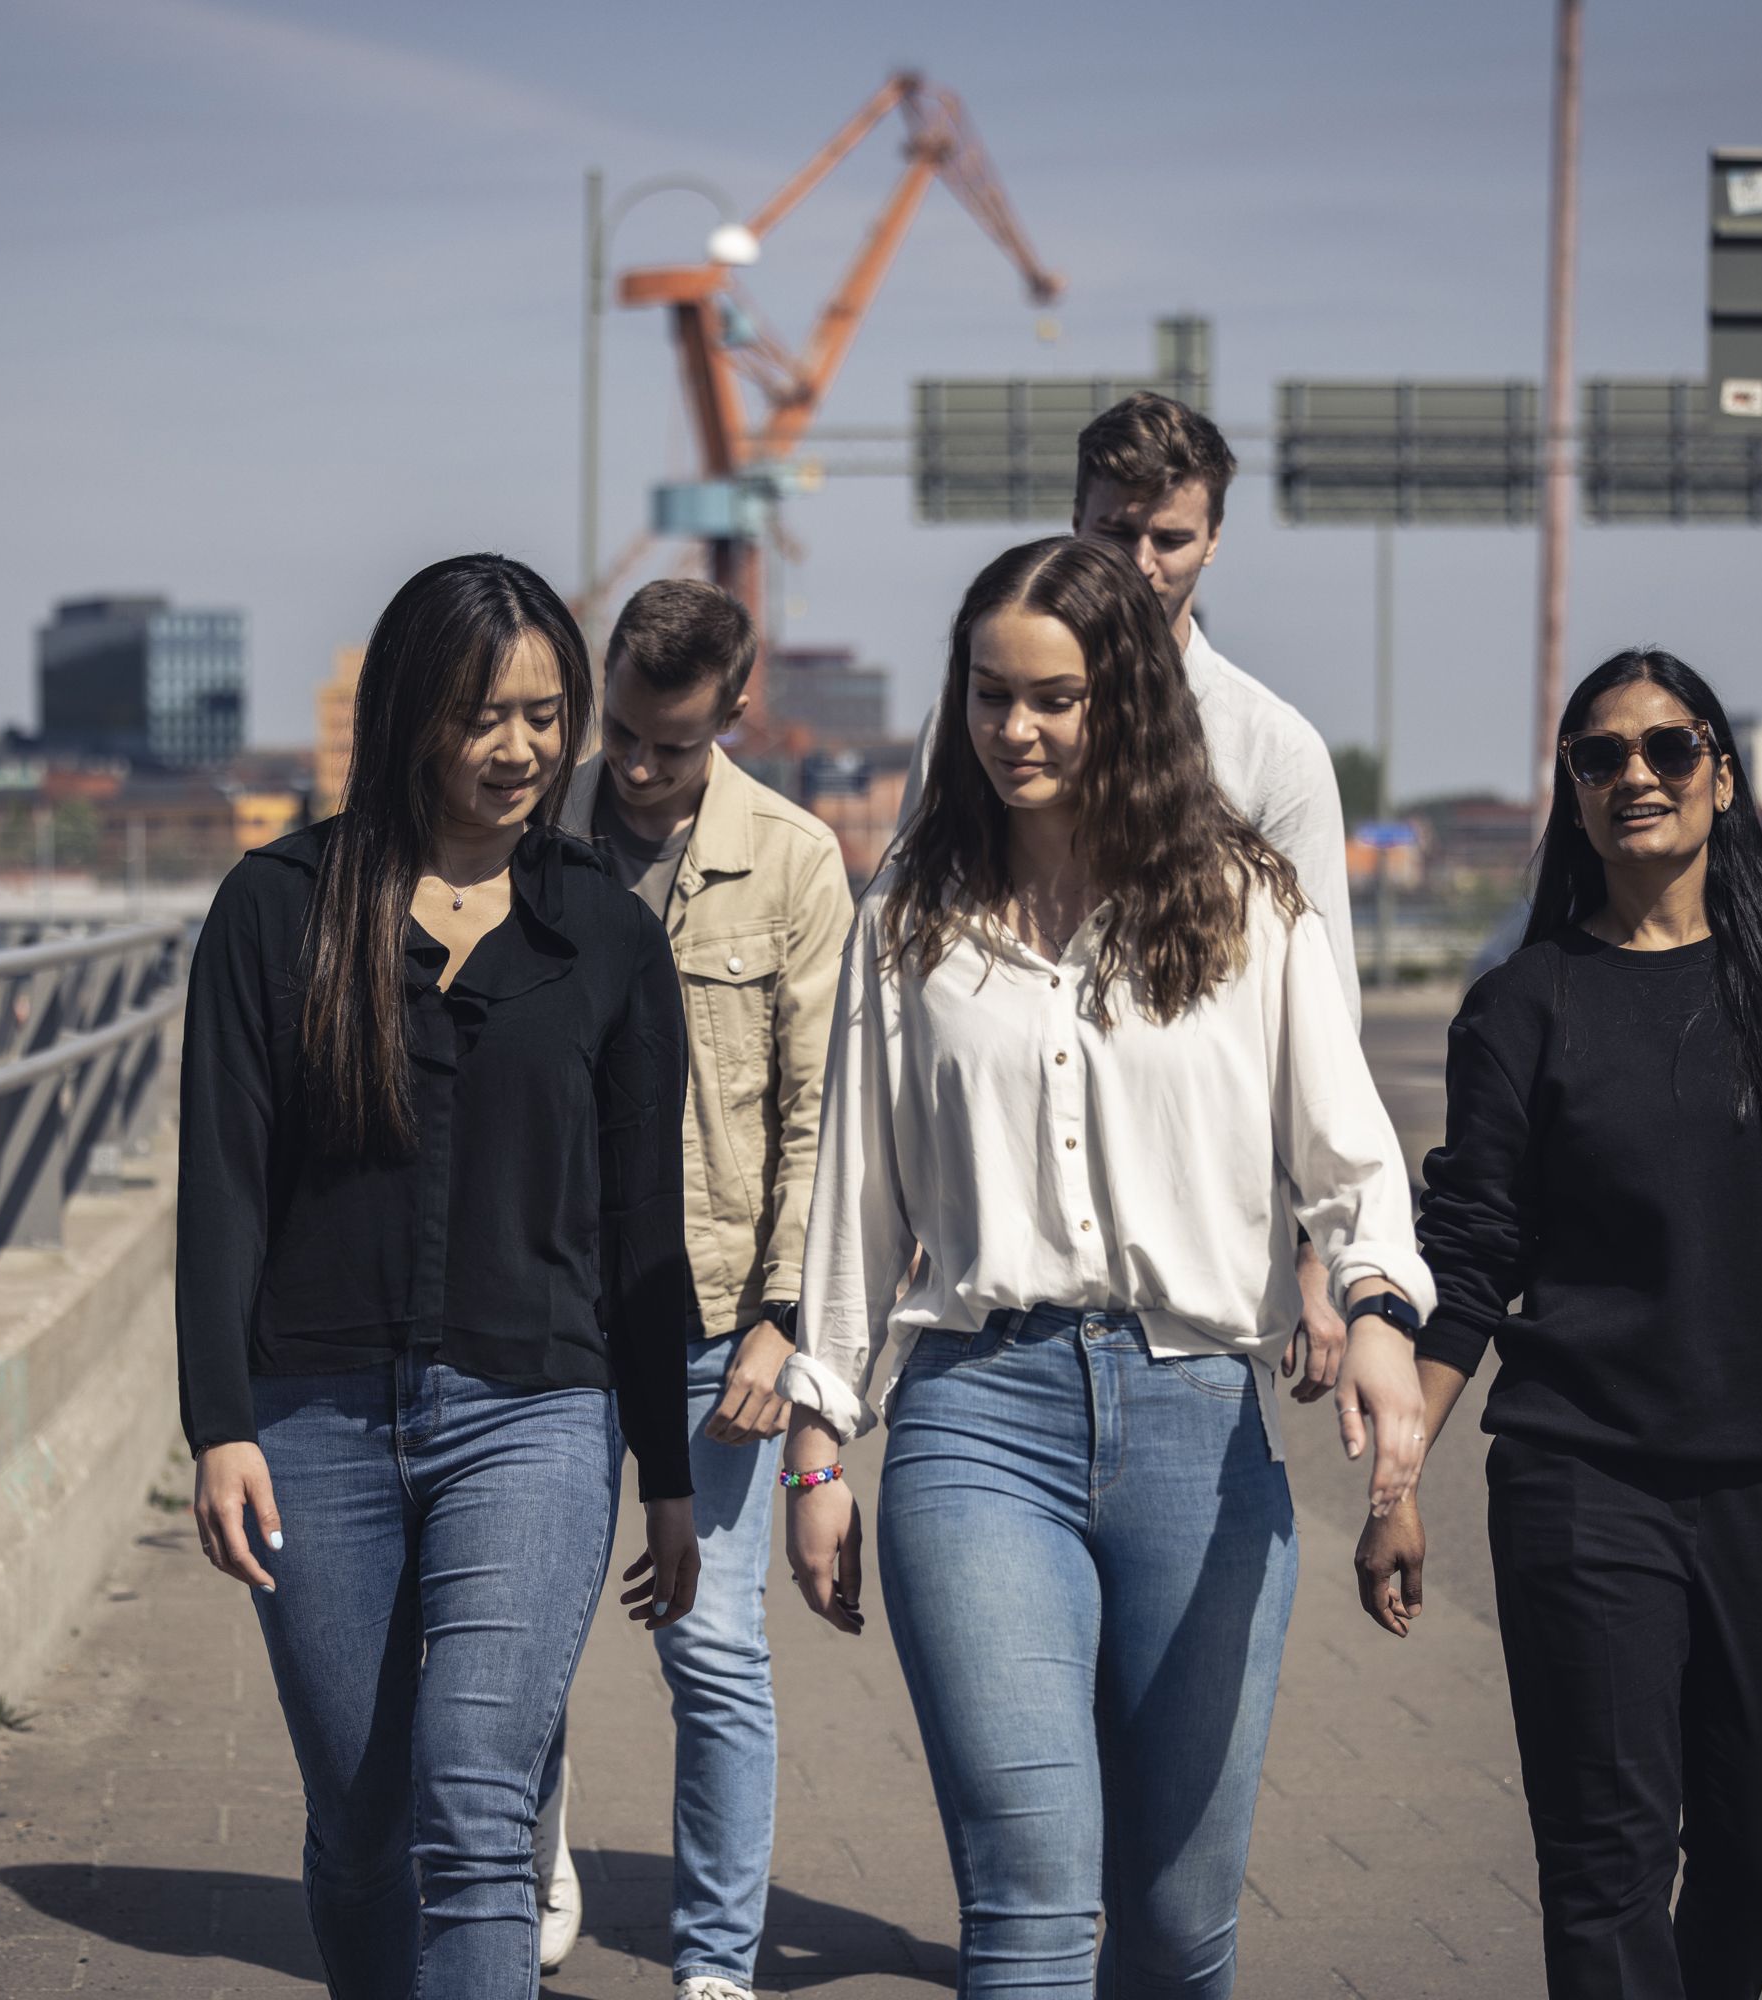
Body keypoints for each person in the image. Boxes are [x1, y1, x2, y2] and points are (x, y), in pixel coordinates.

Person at [780, 535, 1434, 1997]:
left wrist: (1378, 1309)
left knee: (1178, 1925)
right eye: (991, 696)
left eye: (1057, 698)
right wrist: (820, 1445)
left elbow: (1350, 1162)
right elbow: (858, 1208)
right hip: (972, 1424)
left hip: (1196, 1436)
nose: (1018, 730)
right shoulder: (910, 920)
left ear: (1123, 699)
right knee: (1027, 1896)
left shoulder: (1243, 904)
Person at [177, 553, 700, 2000]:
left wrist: (666, 1465)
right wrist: (219, 1420)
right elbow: (221, 1188)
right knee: (363, 1825)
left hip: (533, 1413)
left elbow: (643, 1222)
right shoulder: (275, 914)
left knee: (477, 1816)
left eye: (547, 714)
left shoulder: (603, 932)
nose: (523, 749)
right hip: (312, 1421)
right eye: (485, 716)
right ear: (410, 713)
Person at [1356, 649, 1762, 1999]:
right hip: (1584, 1477)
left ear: (1723, 773)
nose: (1634, 777)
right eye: (1598, 758)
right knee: (1604, 1869)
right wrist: (1397, 1471)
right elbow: (1475, 1249)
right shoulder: (1522, 1007)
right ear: (1572, 793)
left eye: (1668, 749)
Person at [903, 392, 1359, 1406]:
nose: (1141, 562)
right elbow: (909, 952)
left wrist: (1319, 1260)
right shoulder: (975, 727)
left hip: (1194, 1263)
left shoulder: (1270, 749)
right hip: (1005, 1251)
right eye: (1116, 531)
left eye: (1170, 537)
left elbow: (1321, 1024)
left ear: (1213, 542)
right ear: (1075, 522)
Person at [537, 580, 855, 1996]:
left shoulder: (793, 862)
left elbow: (817, 1116)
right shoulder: (539, 838)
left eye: (671, 743)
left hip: (716, 1310)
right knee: (517, 1629)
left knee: (712, 1651)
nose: (641, 769)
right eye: (622, 735)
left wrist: (783, 1323)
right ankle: (523, 1876)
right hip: (538, 1297)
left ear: (737, 709)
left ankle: (716, 1961)